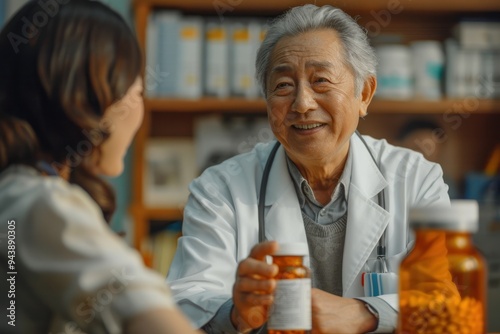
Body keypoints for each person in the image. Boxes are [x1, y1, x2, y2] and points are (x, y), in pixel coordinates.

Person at [166, 4, 450, 334]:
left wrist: (366, 314)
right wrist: (236, 314)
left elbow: (443, 300)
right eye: (284, 85)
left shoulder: (418, 180)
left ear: (365, 94)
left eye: (321, 81)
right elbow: (187, 303)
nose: (302, 104)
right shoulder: (219, 190)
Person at [0, 1, 200, 333]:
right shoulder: (41, 204)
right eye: (137, 92)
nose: (140, 111)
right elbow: (142, 311)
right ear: (90, 97)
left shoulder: (15, 190)